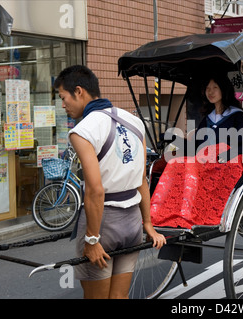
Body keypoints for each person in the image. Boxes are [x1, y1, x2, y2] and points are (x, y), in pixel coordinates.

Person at [54, 65, 166, 299]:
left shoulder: (82, 131)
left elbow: (95, 190)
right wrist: (148, 223)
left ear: (79, 91)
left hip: (103, 225)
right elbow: (141, 181)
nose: (63, 105)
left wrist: (92, 239)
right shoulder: (134, 122)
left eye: (63, 98)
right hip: (132, 223)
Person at [150, 74, 243, 229]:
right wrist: (175, 139)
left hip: (228, 159)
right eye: (207, 89)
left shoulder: (237, 115)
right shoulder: (208, 118)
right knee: (175, 162)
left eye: (215, 88)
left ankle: (187, 212)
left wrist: (224, 154)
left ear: (224, 90)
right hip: (205, 158)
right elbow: (195, 144)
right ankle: (162, 210)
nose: (210, 92)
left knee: (191, 166)